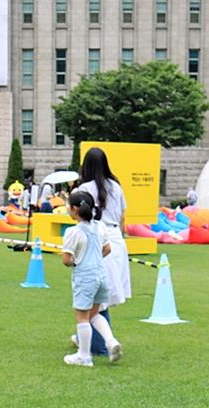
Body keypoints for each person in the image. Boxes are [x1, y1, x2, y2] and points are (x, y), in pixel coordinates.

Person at [78, 147, 131, 357]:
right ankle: (89, 339)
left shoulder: (84, 188)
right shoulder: (116, 187)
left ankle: (101, 344)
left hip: (97, 240)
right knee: (102, 294)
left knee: (93, 295)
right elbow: (123, 216)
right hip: (116, 240)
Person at [61, 190, 122, 368]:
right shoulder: (99, 226)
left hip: (85, 277)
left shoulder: (73, 232)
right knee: (95, 313)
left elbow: (66, 260)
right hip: (101, 275)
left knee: (82, 317)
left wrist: (76, 262)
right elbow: (107, 249)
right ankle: (110, 342)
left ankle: (84, 355)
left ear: (74, 209)